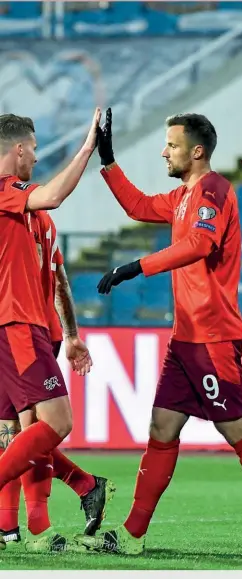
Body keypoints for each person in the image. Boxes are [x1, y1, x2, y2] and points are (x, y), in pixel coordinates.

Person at [74, 109, 242, 557]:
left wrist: (135, 267)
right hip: (186, 339)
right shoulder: (183, 195)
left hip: (212, 335)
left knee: (239, 431)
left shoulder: (214, 189)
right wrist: (107, 159)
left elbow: (200, 244)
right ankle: (132, 535)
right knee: (162, 427)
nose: (164, 150)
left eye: (172, 144)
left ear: (197, 151)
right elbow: (138, 206)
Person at [0, 110, 100, 551]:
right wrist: (87, 149)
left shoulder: (35, 218)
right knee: (54, 423)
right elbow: (54, 194)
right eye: (35, 149)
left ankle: (24, 529)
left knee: (16, 432)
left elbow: (58, 278)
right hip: (17, 324)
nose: (37, 159)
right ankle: (71, 495)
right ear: (18, 149)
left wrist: (71, 334)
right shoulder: (8, 192)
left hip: (29, 326)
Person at [0, 208, 115, 552]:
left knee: (31, 426)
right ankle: (9, 526)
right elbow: (60, 281)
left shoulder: (13, 214)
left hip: (20, 326)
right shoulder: (43, 221)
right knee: (11, 430)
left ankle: (38, 526)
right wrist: (70, 333)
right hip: (28, 326)